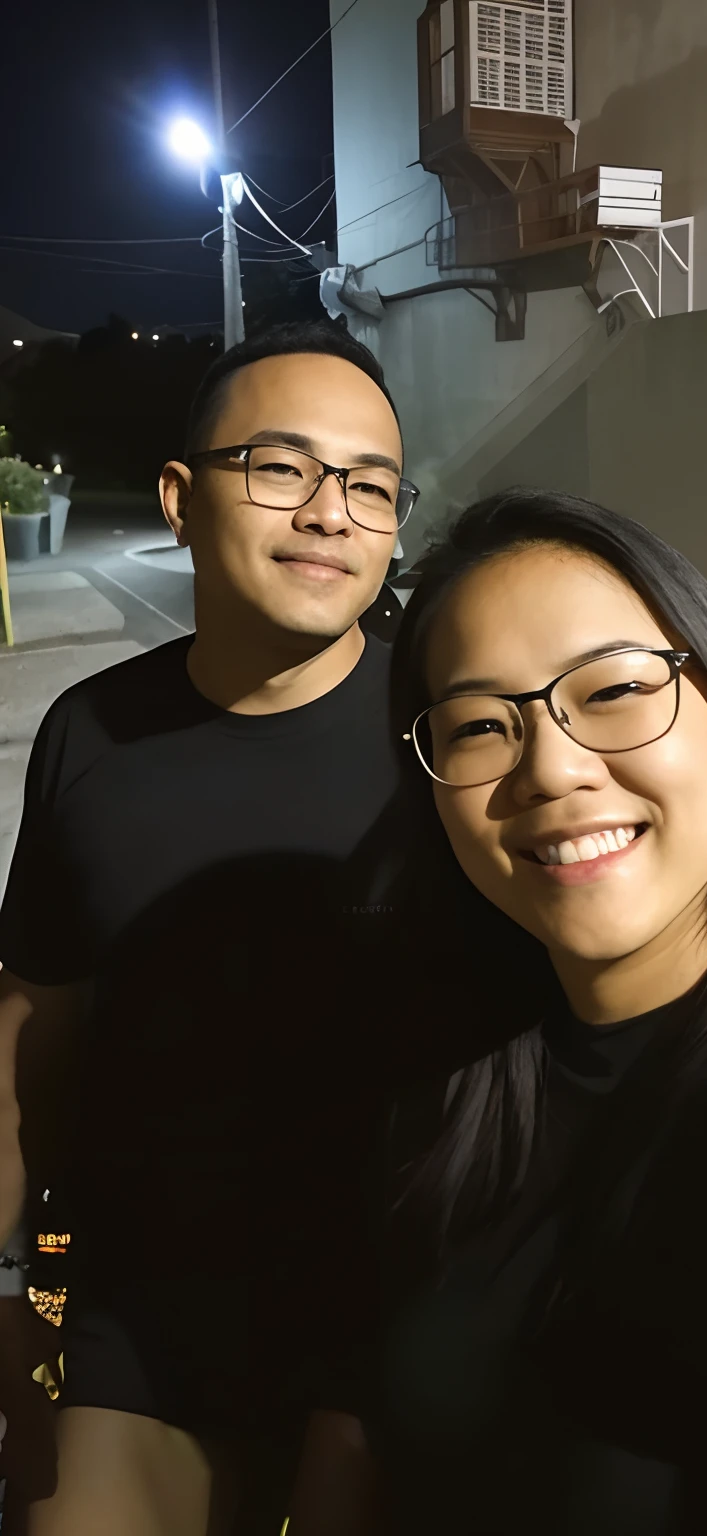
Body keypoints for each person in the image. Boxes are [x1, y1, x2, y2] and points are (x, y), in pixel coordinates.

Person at [292, 487, 707, 1536]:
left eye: (612, 691)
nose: (551, 768)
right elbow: (352, 1429)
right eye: (477, 725)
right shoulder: (432, 1082)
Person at [0, 317, 424, 1535]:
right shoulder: (89, 733)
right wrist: (17, 1282)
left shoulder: (451, 736)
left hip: (408, 1308)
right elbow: (36, 1027)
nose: (331, 511)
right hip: (151, 1314)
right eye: (283, 468)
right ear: (182, 499)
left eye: (371, 485)